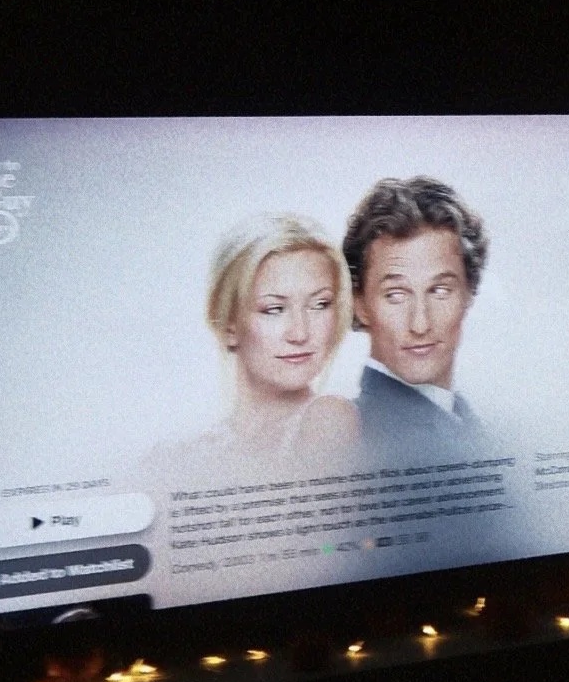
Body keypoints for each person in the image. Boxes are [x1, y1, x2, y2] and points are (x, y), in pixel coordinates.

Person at [342, 176, 488, 459]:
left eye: (440, 290)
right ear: (359, 303)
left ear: (469, 292)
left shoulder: (473, 426)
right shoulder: (350, 440)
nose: (420, 324)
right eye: (396, 294)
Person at [199, 212, 358, 465]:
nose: (300, 333)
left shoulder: (327, 419)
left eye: (320, 304)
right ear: (229, 325)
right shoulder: (184, 452)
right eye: (274, 309)